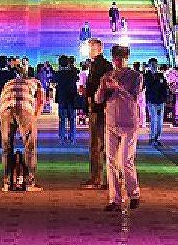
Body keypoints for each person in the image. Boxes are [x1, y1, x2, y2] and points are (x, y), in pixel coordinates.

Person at [96, 45, 143, 211]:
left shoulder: (135, 76)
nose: (118, 61)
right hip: (111, 121)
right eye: (116, 58)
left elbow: (134, 96)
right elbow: (98, 99)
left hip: (129, 122)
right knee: (110, 161)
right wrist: (102, 86)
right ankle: (114, 199)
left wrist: (118, 87)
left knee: (125, 161)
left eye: (121, 58)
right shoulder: (107, 75)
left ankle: (134, 193)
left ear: (127, 58)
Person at [0, 62, 45, 192]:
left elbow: (0, 101)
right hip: (24, 108)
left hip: (6, 110)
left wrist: (1, 121)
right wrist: (34, 118)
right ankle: (30, 182)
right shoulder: (36, 83)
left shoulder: (8, 83)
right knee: (29, 145)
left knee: (6, 146)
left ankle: (7, 183)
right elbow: (41, 101)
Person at [80, 38, 113, 190]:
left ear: (99, 49)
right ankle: (103, 178)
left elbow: (98, 87)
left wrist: (89, 96)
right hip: (101, 108)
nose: (89, 51)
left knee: (96, 144)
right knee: (101, 144)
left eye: (91, 48)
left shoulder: (100, 65)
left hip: (98, 108)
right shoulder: (99, 65)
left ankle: (97, 178)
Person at [144, 57, 170, 146]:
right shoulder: (147, 76)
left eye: (155, 64)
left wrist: (165, 98)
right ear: (149, 65)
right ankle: (152, 137)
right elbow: (149, 86)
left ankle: (157, 137)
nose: (154, 66)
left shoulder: (160, 75)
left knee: (160, 120)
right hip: (151, 100)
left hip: (160, 101)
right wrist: (158, 81)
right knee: (153, 119)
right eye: (152, 65)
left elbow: (165, 87)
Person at [54, 55, 79, 144]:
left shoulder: (58, 74)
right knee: (72, 119)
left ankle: (62, 138)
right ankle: (72, 138)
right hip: (71, 99)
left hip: (62, 99)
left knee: (62, 120)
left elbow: (54, 81)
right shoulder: (72, 73)